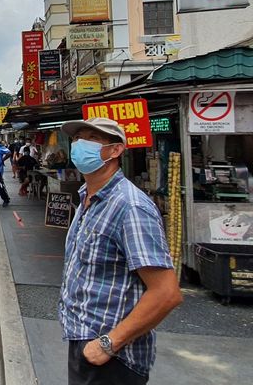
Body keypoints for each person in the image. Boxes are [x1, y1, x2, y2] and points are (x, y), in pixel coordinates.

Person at [59, 117, 182, 385]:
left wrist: (107, 344)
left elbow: (166, 292)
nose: (80, 145)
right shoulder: (88, 198)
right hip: (84, 342)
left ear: (115, 151)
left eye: (91, 139)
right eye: (78, 138)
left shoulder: (130, 207)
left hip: (112, 357)